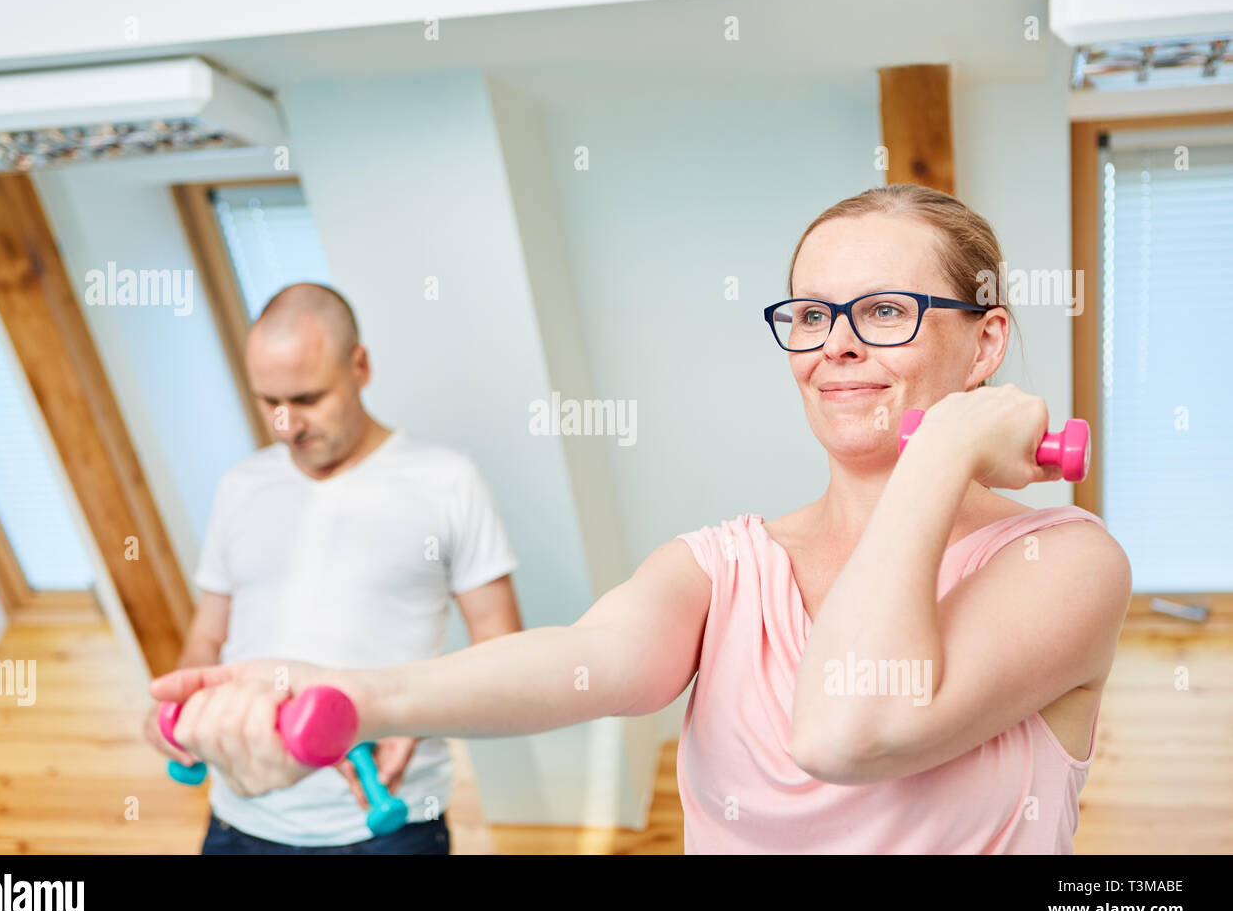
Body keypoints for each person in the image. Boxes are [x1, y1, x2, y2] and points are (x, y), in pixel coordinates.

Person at [149, 186, 1132, 854]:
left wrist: (944, 453)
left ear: (983, 343)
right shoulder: (725, 566)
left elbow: (846, 729)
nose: (834, 346)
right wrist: (356, 695)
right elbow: (580, 658)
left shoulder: (1066, 562)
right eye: (809, 315)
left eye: (883, 312)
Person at [142, 282, 523, 854]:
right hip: (240, 821)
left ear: (360, 366)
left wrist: (410, 719)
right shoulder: (241, 486)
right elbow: (209, 634)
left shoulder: (447, 481)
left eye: (307, 398)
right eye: (268, 402)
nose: (286, 424)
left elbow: (502, 648)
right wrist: (176, 713)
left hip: (386, 825)